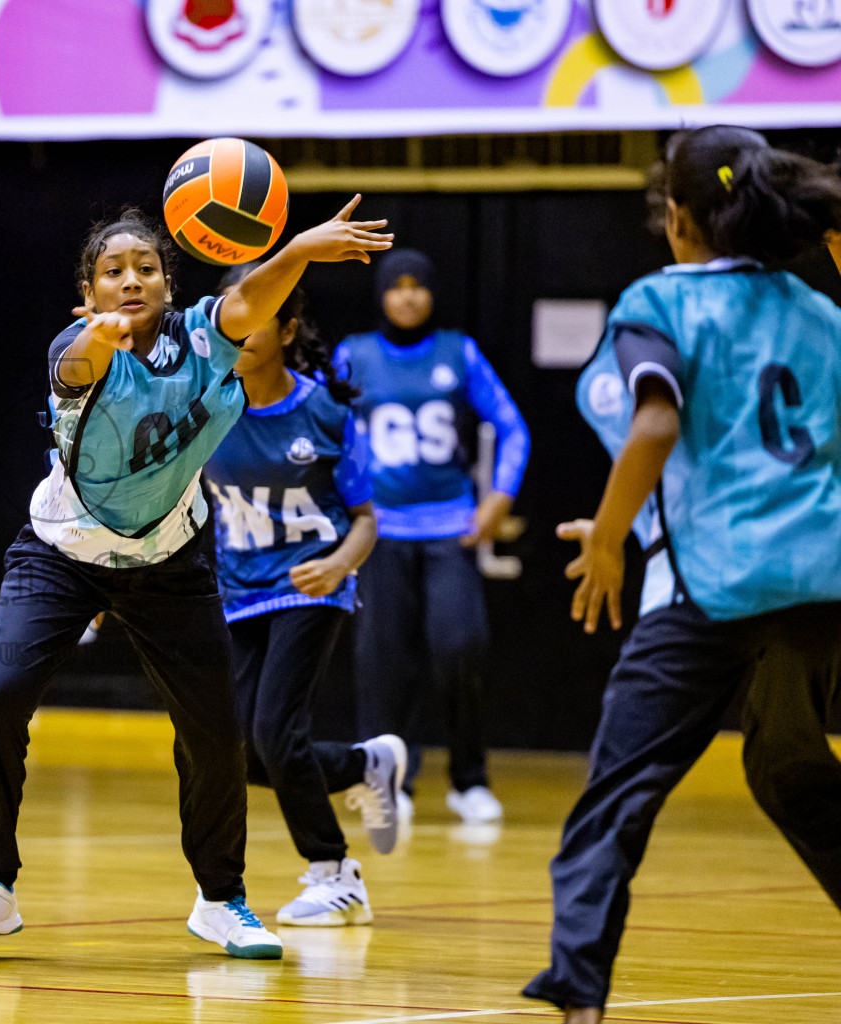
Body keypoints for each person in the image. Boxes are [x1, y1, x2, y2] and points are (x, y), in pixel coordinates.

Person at [0, 199, 393, 959]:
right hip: (62, 554)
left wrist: (303, 247)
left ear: (169, 285)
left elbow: (250, 301)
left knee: (217, 736)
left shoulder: (207, 337)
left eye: (146, 267)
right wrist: (98, 339)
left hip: (169, 562)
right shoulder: (76, 349)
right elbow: (73, 368)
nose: (131, 280)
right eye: (113, 271)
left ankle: (221, 900)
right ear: (89, 290)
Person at [522, 125, 841, 1024]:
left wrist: (613, 537)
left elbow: (656, 426)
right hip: (822, 585)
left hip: (719, 587)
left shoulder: (661, 302)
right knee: (788, 770)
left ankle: (578, 996)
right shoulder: (821, 313)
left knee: (615, 798)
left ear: (676, 218)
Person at [204, 265, 406, 928]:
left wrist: (338, 566)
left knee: (275, 730)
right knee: (236, 750)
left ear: (289, 329)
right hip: (239, 592)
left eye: (265, 315)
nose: (248, 326)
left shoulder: (324, 411)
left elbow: (368, 519)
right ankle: (364, 764)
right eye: (239, 312)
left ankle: (335, 873)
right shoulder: (206, 407)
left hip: (311, 586)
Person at [334, 249, 530, 824]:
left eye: (419, 286)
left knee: (460, 645)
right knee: (381, 659)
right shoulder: (353, 355)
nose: (409, 296)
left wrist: (500, 497)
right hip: (379, 531)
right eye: (398, 286)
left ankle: (469, 779)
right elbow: (329, 431)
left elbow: (512, 427)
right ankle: (388, 782)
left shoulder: (458, 352)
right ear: (383, 295)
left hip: (451, 527)